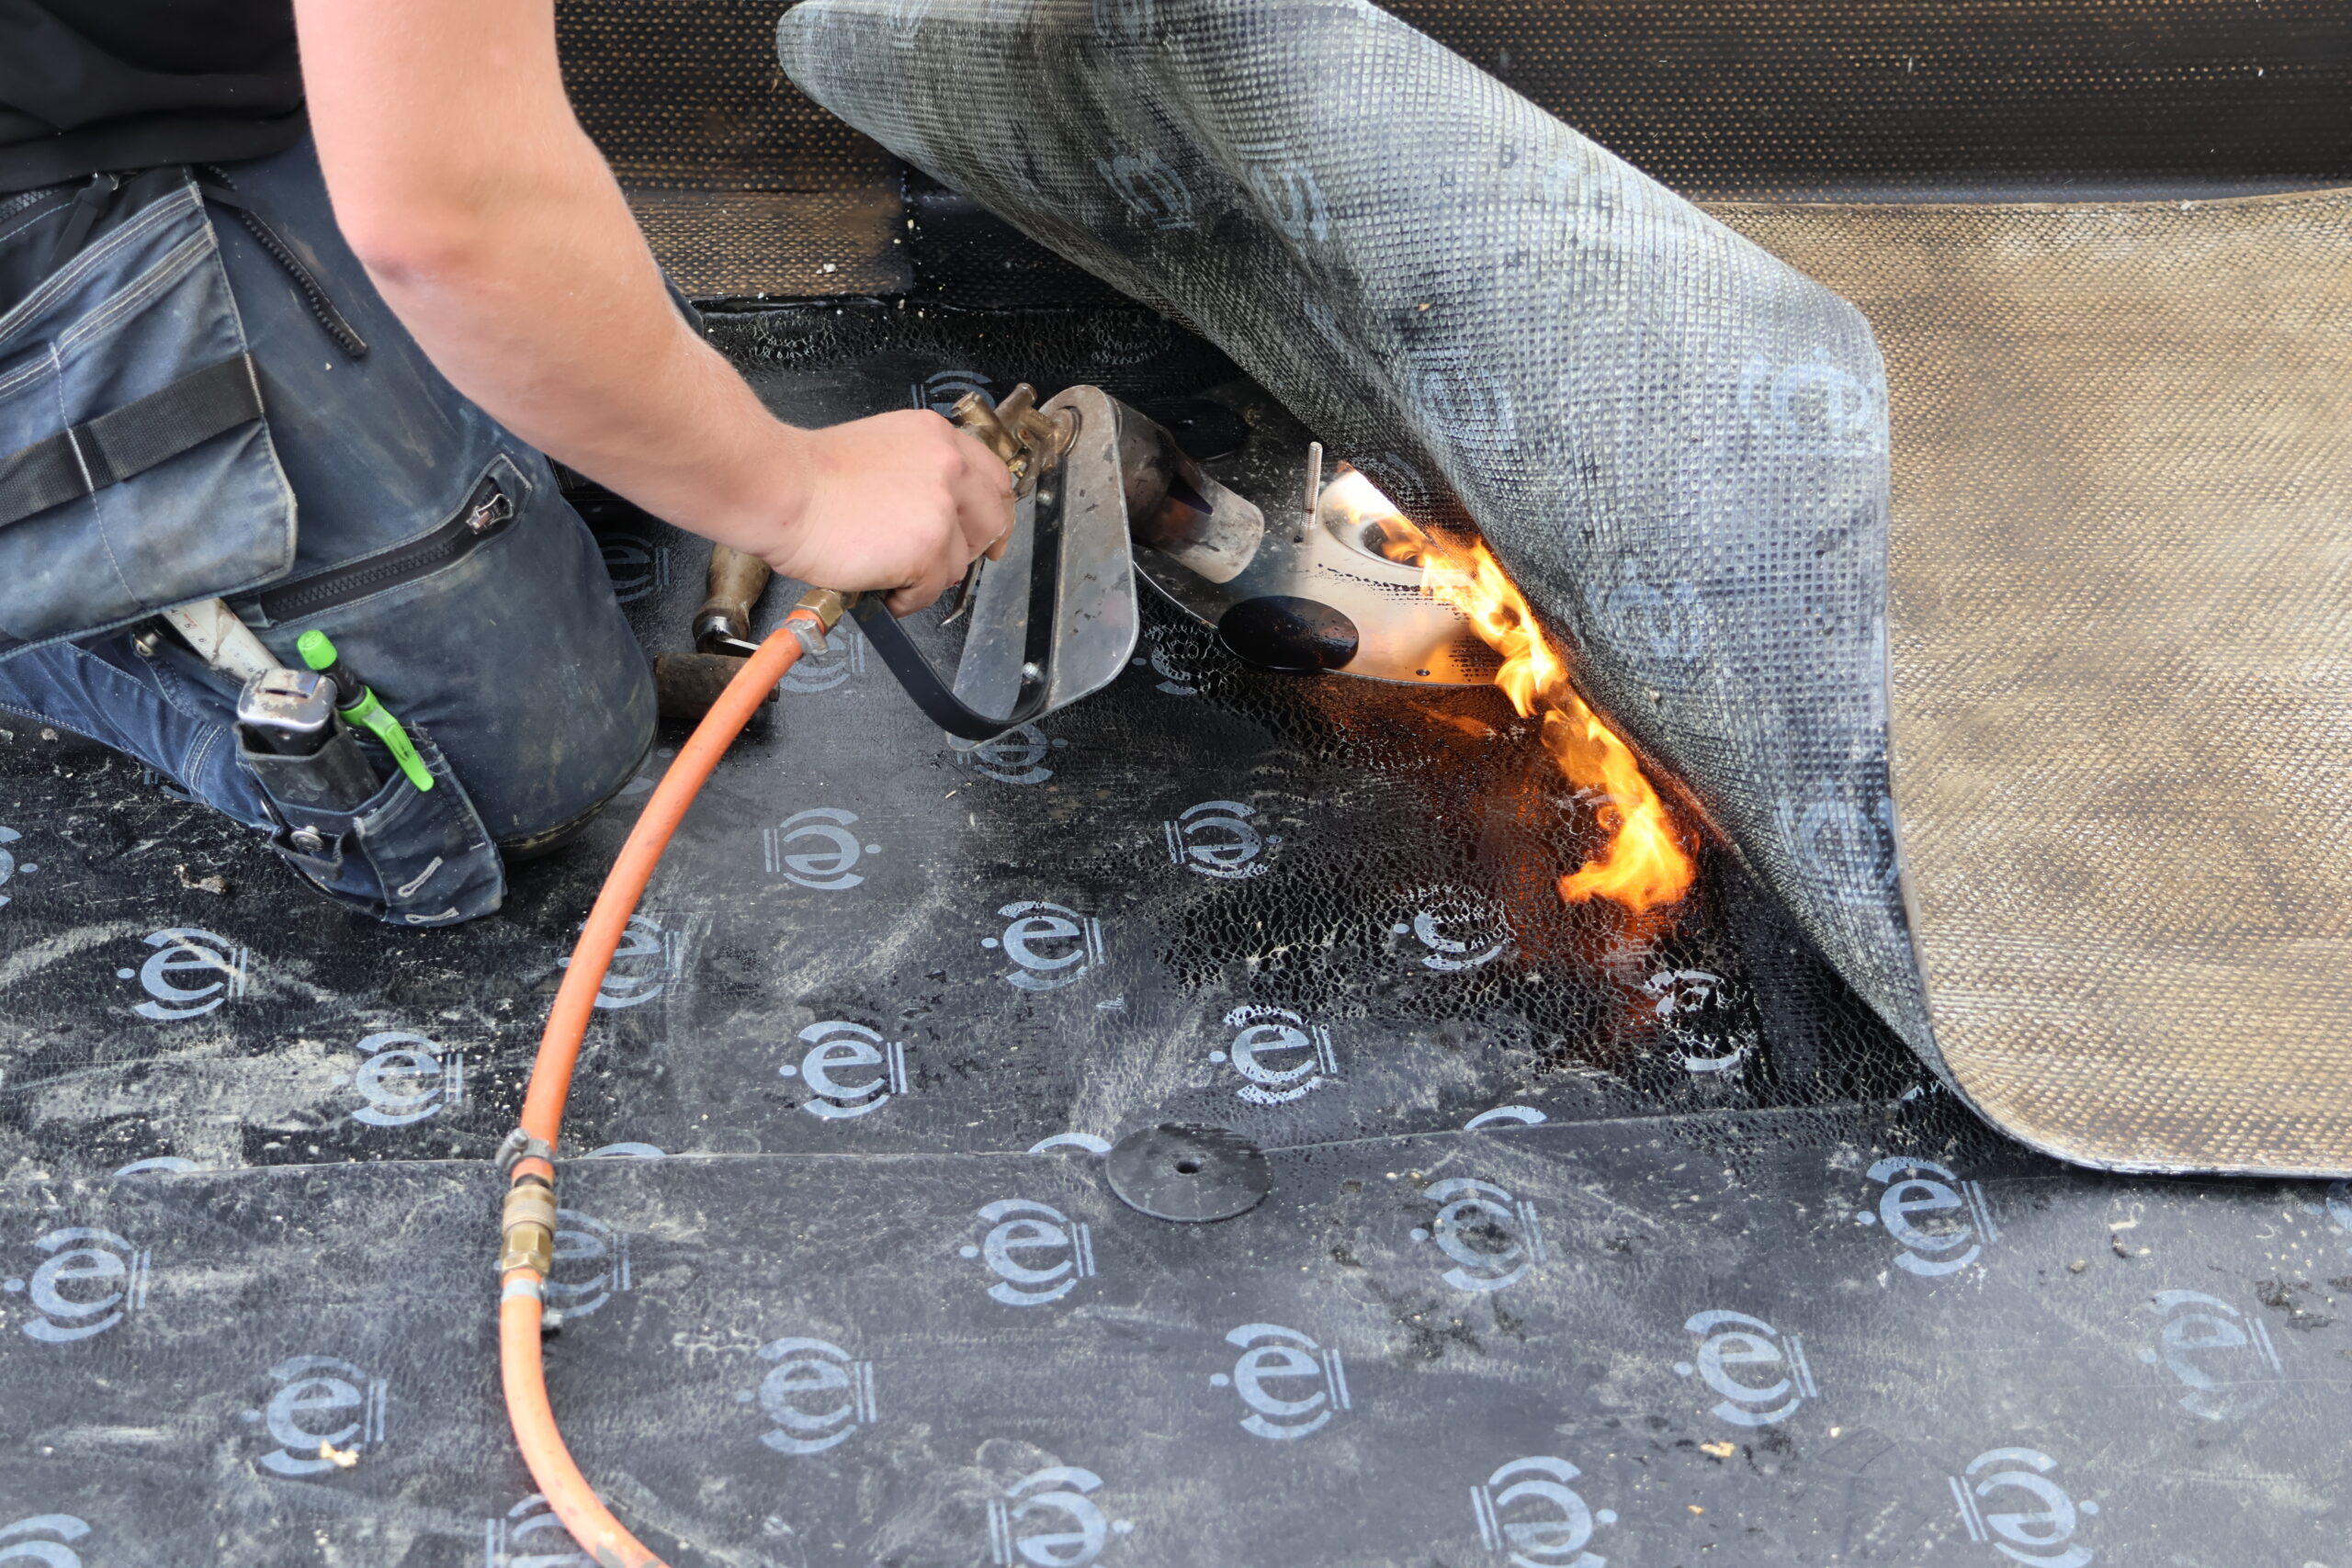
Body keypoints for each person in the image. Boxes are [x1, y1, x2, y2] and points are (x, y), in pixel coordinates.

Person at [0, 0, 1013, 924]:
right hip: (37, 196)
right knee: (526, 760)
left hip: (192, 93)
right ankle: (50, 597)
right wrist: (802, 498)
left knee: (614, 400)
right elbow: (439, 217)